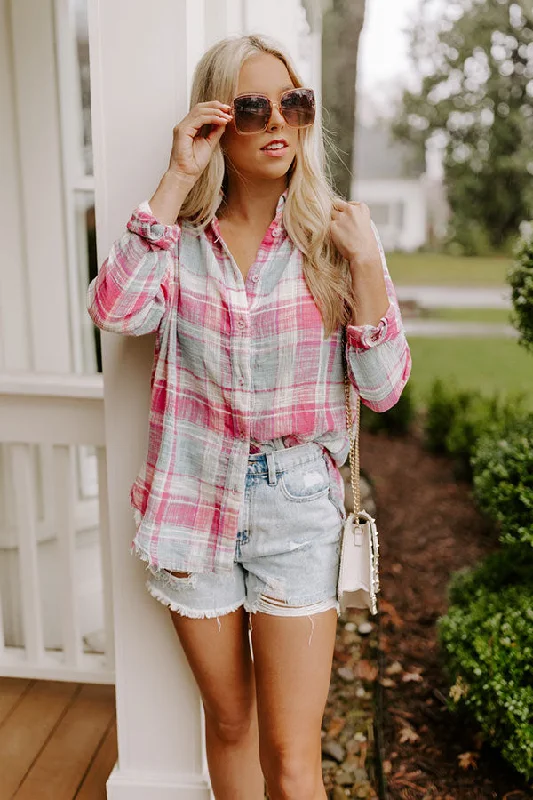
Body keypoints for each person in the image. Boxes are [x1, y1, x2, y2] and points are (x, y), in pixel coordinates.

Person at [87, 32, 411, 800]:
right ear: (216, 124)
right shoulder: (179, 243)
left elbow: (383, 387)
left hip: (297, 504)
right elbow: (114, 309)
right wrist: (176, 175)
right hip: (187, 498)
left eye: (291, 104)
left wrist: (365, 265)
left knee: (291, 756)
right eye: (251, 107)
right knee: (227, 726)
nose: (276, 122)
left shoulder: (337, 238)